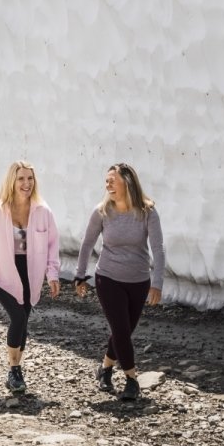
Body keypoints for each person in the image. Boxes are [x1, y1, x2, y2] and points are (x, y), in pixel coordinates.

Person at [72, 163, 165, 401]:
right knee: (122, 330)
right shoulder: (102, 211)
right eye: (107, 181)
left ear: (128, 182)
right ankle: (132, 380)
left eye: (113, 180)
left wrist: (157, 283)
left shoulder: (147, 212)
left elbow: (157, 249)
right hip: (108, 278)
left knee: (122, 331)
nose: (108, 184)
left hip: (139, 280)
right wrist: (80, 275)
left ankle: (104, 369)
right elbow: (87, 244)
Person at [0, 160, 63, 394]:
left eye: (30, 178)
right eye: (21, 178)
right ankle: (14, 370)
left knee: (24, 320)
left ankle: (16, 368)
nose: (26, 184)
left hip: (30, 271)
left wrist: (52, 274)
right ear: (11, 181)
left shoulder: (43, 211)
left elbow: (53, 244)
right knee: (18, 318)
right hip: (2, 271)